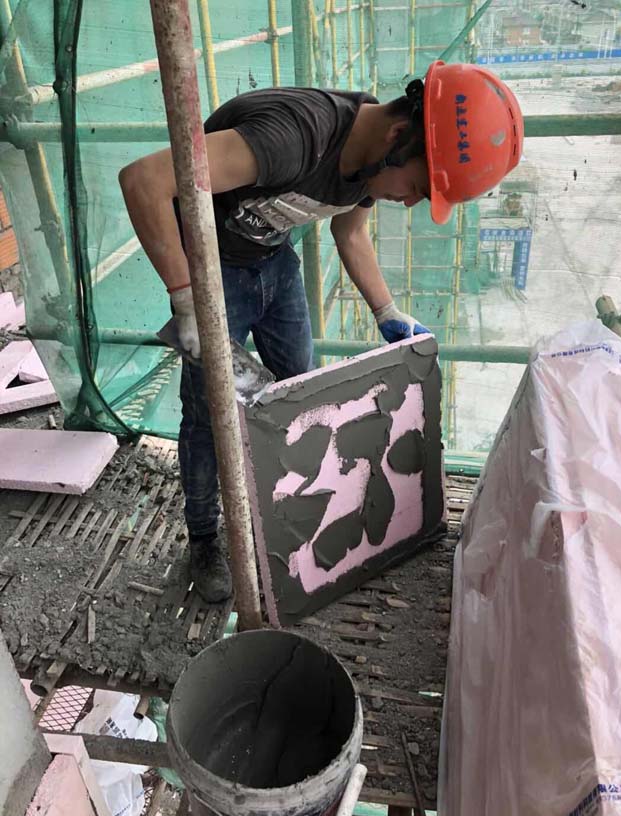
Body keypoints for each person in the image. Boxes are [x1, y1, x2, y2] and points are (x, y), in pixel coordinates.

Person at [119, 60, 523, 603]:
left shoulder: (371, 159)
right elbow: (144, 182)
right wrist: (189, 302)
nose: (409, 201)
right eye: (417, 186)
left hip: (273, 262)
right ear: (397, 136)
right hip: (213, 273)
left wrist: (387, 311)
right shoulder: (293, 137)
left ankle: (286, 510)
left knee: (300, 394)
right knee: (210, 416)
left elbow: (349, 230)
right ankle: (205, 540)